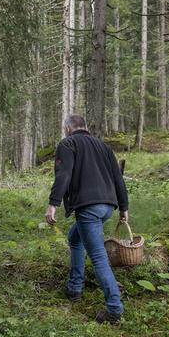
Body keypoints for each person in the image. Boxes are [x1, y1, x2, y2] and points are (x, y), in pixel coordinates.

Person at [45, 114, 129, 324]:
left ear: (67, 128)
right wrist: (123, 208)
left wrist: (53, 204)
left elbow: (63, 174)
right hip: (107, 207)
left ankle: (114, 309)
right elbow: (118, 178)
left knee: (98, 257)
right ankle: (74, 287)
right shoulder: (103, 147)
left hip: (88, 208)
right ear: (85, 127)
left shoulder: (68, 143)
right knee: (75, 238)